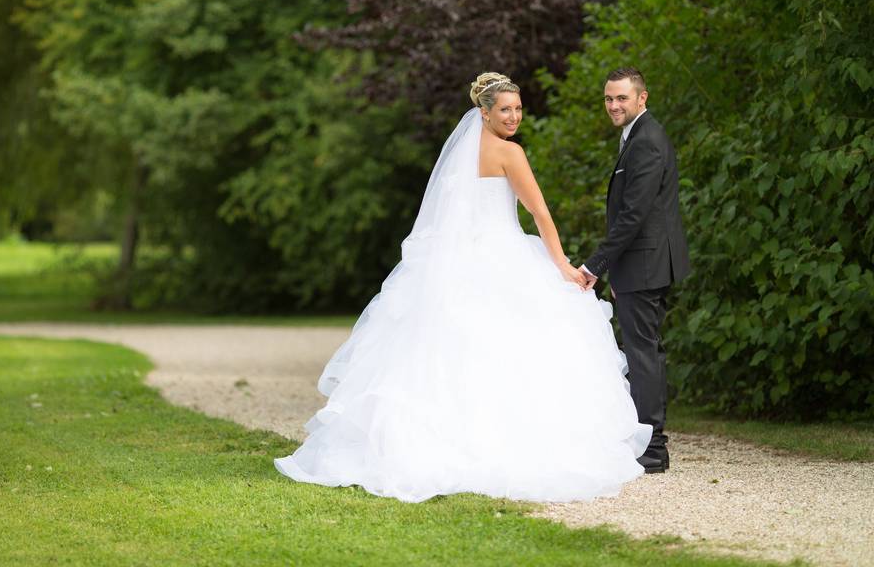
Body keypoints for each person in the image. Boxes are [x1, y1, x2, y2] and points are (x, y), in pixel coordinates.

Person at [275, 73, 652, 503]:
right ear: (484, 112)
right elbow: (540, 213)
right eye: (505, 109)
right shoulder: (510, 153)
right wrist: (562, 265)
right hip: (504, 257)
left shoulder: (460, 156)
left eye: (519, 108)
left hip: (458, 263)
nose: (514, 116)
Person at [580, 67, 691, 474]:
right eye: (609, 98)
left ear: (642, 98)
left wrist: (596, 264)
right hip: (640, 262)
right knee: (644, 350)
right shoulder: (637, 136)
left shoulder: (646, 141)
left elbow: (633, 216)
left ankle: (654, 447)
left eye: (622, 98)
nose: (614, 105)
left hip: (645, 261)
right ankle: (648, 441)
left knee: (643, 352)